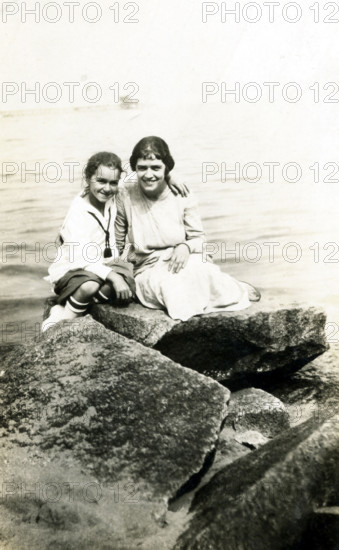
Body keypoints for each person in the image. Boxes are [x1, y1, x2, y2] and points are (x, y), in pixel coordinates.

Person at [115, 136, 260, 322]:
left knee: (203, 274)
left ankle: (232, 287)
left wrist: (185, 247)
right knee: (172, 288)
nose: (148, 174)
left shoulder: (182, 193)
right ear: (135, 168)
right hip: (148, 268)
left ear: (166, 167)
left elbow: (199, 238)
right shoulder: (124, 194)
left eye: (156, 168)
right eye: (142, 168)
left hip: (184, 258)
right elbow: (117, 242)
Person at [42, 150, 187, 332]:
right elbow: (80, 259)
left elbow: (144, 175)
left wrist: (168, 176)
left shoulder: (114, 194)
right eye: (101, 181)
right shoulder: (78, 213)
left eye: (113, 182)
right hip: (76, 267)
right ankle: (64, 315)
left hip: (104, 263)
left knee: (127, 285)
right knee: (90, 286)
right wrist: (113, 277)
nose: (107, 188)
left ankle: (82, 304)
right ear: (88, 179)